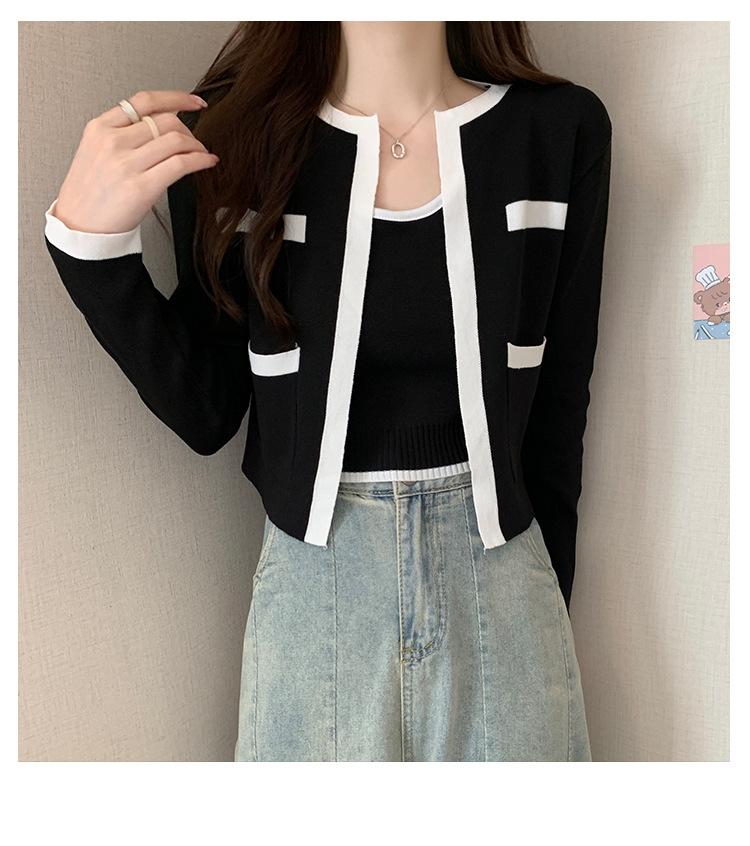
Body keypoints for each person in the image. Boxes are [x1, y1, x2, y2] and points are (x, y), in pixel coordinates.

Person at [44, 21, 612, 762]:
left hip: (506, 587)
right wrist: (90, 252)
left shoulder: (561, 131)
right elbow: (207, 409)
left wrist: (538, 604)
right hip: (315, 595)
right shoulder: (237, 140)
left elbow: (561, 404)